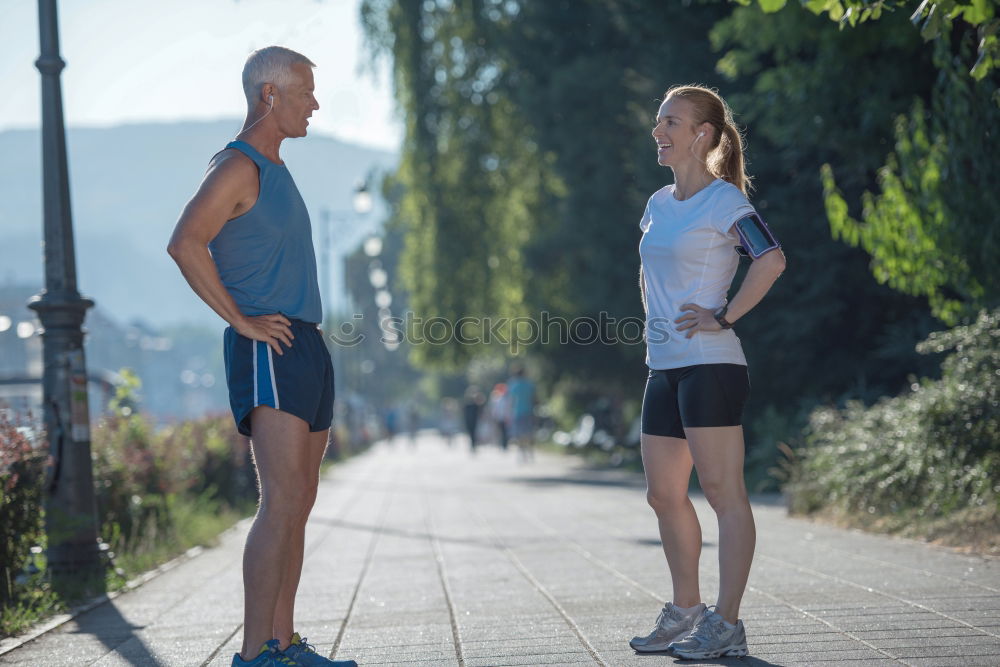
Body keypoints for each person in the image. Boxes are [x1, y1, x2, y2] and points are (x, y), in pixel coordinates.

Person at [167, 46, 356, 667]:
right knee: (280, 500)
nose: (314, 103)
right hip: (266, 346)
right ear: (269, 95)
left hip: (305, 343)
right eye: (304, 92)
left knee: (300, 498)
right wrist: (241, 321)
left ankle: (284, 642)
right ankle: (253, 655)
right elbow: (186, 242)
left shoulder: (278, 168)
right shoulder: (237, 166)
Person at [628, 84, 786, 660]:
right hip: (663, 367)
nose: (658, 131)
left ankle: (726, 622)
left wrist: (724, 315)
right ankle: (686, 610)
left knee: (724, 495)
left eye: (671, 122)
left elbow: (771, 258)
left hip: (711, 366)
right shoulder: (657, 202)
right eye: (658, 121)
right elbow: (651, 280)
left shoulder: (725, 204)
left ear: (703, 135)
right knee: (663, 494)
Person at [505, 365, 536, 462]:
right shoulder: (530, 384)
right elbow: (534, 398)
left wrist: (508, 413)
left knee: (519, 434)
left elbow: (511, 400)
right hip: (529, 411)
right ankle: (530, 452)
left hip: (517, 413)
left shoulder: (513, 385)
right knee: (529, 433)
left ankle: (522, 454)